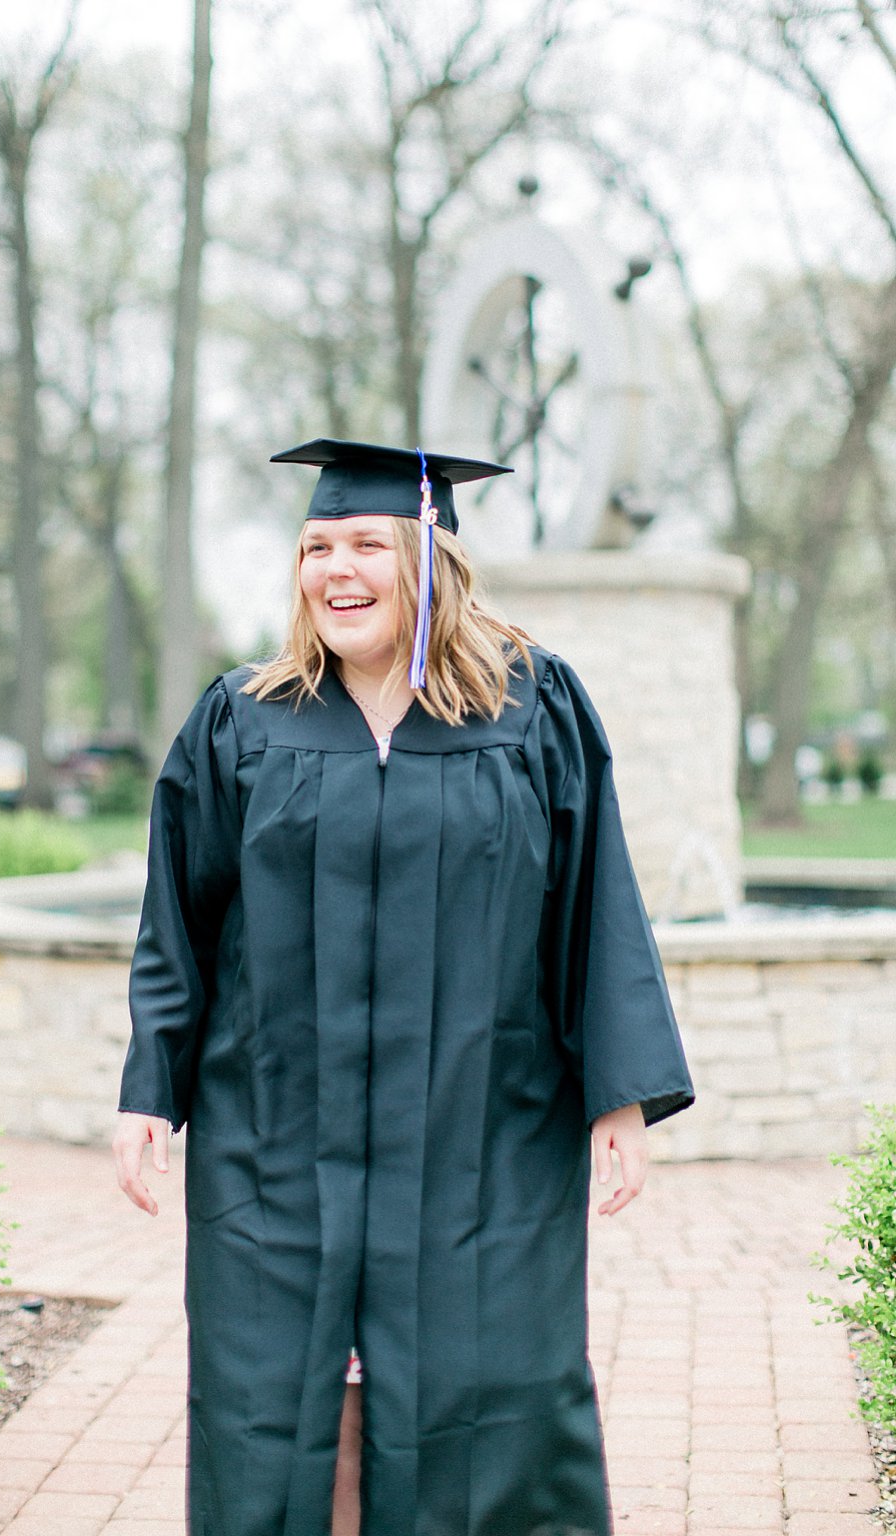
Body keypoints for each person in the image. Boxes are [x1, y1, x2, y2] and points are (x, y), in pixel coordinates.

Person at [113, 439, 694, 1536]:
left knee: (489, 1381)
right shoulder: (241, 720)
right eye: (314, 546)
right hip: (273, 1127)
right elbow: (176, 924)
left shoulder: (532, 707)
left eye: (365, 543)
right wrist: (150, 1089)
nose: (336, 568)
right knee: (269, 1394)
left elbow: (594, 902)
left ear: (429, 560)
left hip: (479, 1124)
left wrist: (618, 1095)